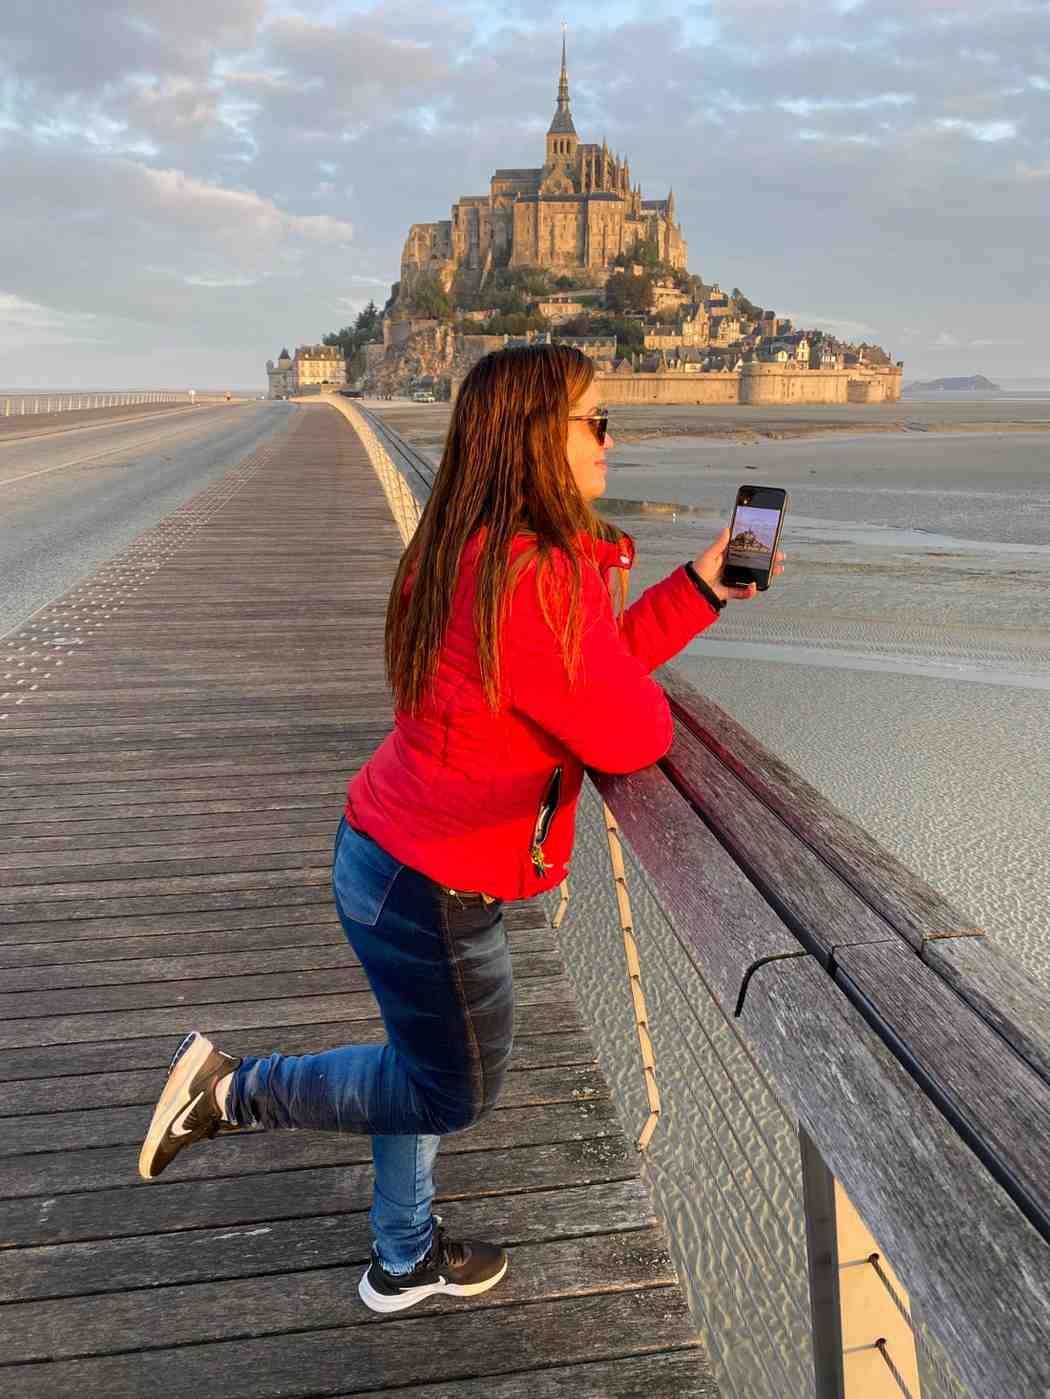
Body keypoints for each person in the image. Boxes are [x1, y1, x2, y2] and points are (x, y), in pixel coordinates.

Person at [137, 344, 785, 1314]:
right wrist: (634, 656)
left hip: (389, 855)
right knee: (449, 1089)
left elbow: (585, 670)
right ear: (535, 438)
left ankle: (401, 1256)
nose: (612, 438)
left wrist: (697, 588)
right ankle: (233, 1091)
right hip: (429, 889)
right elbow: (630, 729)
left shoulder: (479, 549)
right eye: (594, 421)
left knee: (421, 1062)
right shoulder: (532, 579)